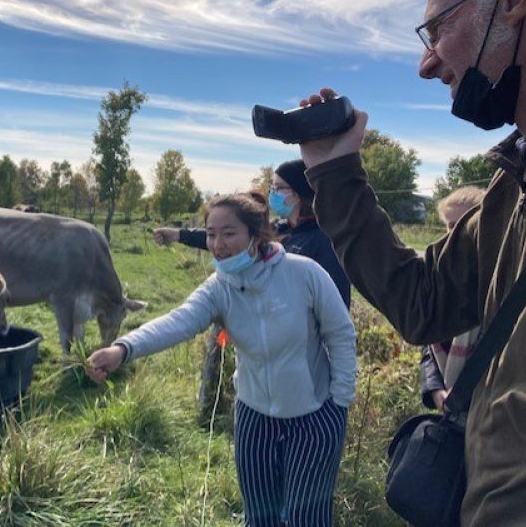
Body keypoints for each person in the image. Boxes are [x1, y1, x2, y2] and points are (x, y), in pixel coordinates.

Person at [295, 0, 526, 524]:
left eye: (438, 30)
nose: (427, 65)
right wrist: (333, 172)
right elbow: (422, 302)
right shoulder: (517, 186)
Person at [87, 191, 357, 527]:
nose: (217, 244)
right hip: (254, 418)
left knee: (307, 518)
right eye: (211, 234)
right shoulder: (219, 287)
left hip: (314, 416)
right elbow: (179, 321)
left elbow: (341, 334)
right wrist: (123, 349)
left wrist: (339, 401)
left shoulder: (305, 274)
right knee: (259, 517)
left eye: (229, 233)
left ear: (255, 235)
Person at [153, 159, 350, 308]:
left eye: (278, 188)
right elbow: (230, 241)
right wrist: (179, 235)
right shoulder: (277, 229)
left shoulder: (324, 240)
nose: (272, 193)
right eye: (271, 187)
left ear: (297, 194)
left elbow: (337, 303)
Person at [420, 187, 486, 411]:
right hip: (449, 409)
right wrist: (436, 391)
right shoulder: (440, 279)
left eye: (464, 225)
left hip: (491, 410)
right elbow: (429, 343)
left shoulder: (499, 276)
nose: (454, 235)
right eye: (450, 226)